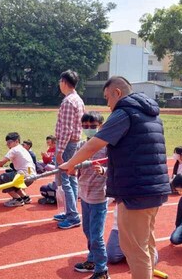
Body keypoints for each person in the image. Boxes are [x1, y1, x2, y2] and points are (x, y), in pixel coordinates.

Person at [60, 76, 171, 279]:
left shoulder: (124, 112)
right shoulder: (151, 114)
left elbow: (95, 143)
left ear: (117, 93)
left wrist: (70, 163)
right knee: (146, 244)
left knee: (134, 250)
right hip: (154, 188)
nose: (107, 104)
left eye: (107, 98)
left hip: (135, 191)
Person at [73, 111, 109, 279]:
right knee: (87, 231)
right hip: (84, 194)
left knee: (96, 235)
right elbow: (74, 165)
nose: (89, 129)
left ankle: (102, 270)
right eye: (85, 126)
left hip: (98, 197)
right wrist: (72, 168)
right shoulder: (81, 146)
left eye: (93, 127)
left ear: (101, 126)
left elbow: (115, 168)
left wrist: (104, 170)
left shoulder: (107, 147)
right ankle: (92, 259)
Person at [53, 70, 85, 229]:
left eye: (60, 81)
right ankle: (70, 212)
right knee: (71, 178)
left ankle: (72, 216)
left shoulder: (68, 102)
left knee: (65, 180)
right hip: (75, 143)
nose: (59, 84)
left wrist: (59, 152)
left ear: (64, 82)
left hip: (67, 145)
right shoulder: (79, 100)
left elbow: (66, 129)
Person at [0, 132, 35, 207]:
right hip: (32, 176)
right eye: (7, 143)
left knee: (2, 178)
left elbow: (1, 163)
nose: (8, 145)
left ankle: (17, 199)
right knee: (12, 178)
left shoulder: (14, 149)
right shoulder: (22, 149)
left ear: (17, 141)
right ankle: (25, 197)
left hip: (24, 176)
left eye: (10, 142)